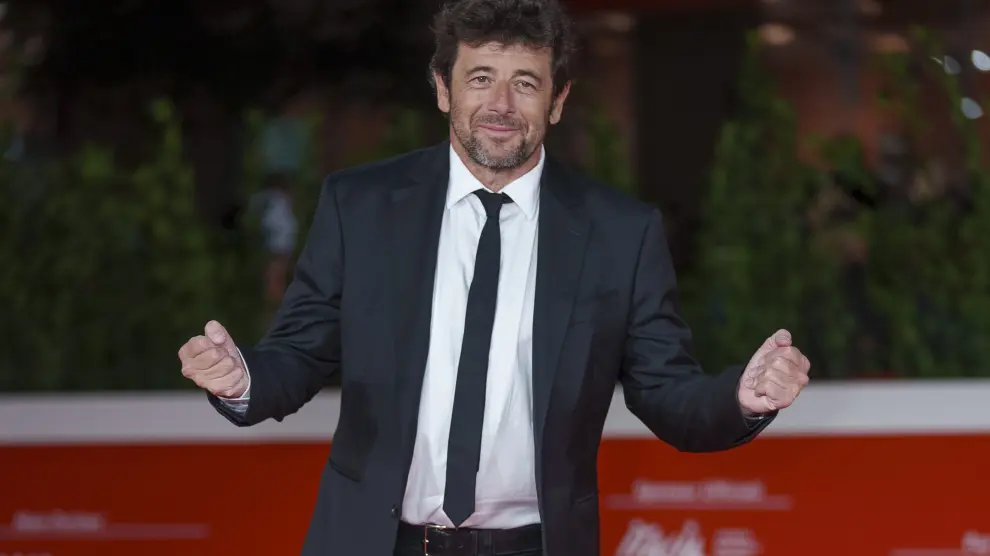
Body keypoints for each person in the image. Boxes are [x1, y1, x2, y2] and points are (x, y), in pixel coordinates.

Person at [177, 0, 812, 554]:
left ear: (557, 101)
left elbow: (667, 393)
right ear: (443, 89)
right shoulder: (362, 206)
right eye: (480, 78)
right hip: (376, 542)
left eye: (525, 83)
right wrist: (243, 379)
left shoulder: (620, 233)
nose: (500, 105)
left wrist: (740, 399)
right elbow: (299, 353)